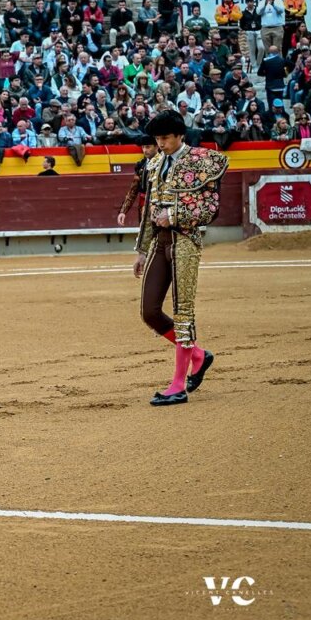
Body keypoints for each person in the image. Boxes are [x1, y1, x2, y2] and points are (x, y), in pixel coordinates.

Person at [134, 111, 228, 407]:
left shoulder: (202, 160)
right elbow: (149, 208)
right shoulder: (154, 164)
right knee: (149, 311)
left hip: (185, 242)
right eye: (157, 139)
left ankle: (178, 384)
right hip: (160, 244)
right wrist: (141, 248)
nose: (159, 144)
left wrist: (172, 215)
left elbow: (210, 209)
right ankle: (198, 355)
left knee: (183, 311)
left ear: (179, 135)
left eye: (164, 138)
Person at [117, 134, 157, 225]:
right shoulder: (141, 166)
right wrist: (123, 211)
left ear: (156, 146)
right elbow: (133, 190)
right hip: (143, 206)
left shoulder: (164, 164)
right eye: (143, 147)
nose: (145, 150)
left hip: (158, 208)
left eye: (148, 147)